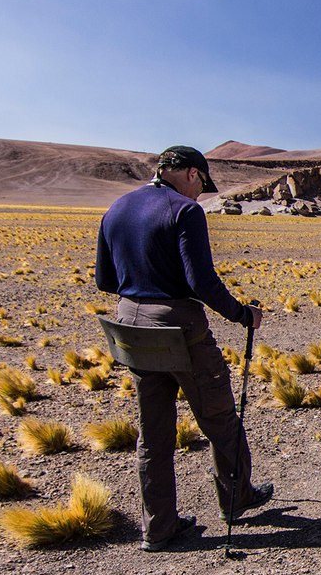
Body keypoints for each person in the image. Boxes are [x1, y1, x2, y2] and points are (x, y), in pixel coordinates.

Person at [95, 145, 272, 552]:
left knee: (153, 430)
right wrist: (243, 314)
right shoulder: (185, 211)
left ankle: (158, 527)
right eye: (201, 185)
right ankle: (237, 497)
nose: (200, 194)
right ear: (192, 173)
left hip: (131, 325)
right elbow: (201, 282)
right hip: (178, 326)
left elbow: (105, 278)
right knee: (219, 415)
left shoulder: (117, 208)